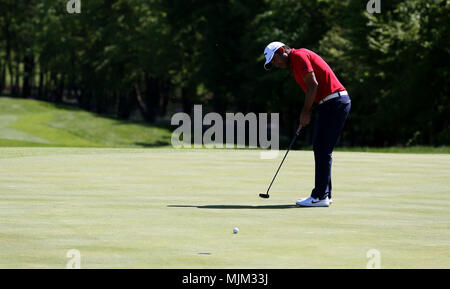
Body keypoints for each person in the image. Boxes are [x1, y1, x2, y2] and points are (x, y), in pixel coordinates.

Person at [263, 41, 351, 207]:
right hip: (329, 104)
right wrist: (308, 113)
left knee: (322, 148)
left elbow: (313, 85)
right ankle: (325, 194)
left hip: (335, 102)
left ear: (282, 51)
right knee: (321, 148)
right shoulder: (294, 65)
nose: (276, 64)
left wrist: (305, 112)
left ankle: (320, 196)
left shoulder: (298, 56)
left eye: (275, 60)